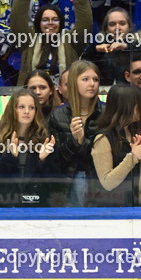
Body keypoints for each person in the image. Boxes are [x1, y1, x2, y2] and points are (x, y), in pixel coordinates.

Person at [12, 0, 92, 84]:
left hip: (65, 99)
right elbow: (17, 18)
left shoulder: (72, 42)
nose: (50, 23)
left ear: (61, 24)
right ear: (38, 23)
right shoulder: (28, 40)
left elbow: (85, 21)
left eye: (55, 20)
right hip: (32, 100)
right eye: (45, 20)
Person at [89, 84, 141, 206]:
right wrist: (133, 157)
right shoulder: (103, 138)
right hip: (118, 208)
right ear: (125, 107)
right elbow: (107, 183)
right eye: (138, 105)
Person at [0, 88, 58, 207]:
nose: (27, 111)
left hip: (36, 206)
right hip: (5, 205)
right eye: (21, 107)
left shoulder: (45, 139)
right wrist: (10, 156)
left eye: (31, 107)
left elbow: (54, 181)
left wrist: (42, 160)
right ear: (13, 110)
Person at [49, 60, 104, 205]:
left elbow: (106, 155)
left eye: (95, 79)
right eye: (85, 79)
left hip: (100, 181)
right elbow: (57, 159)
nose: (92, 83)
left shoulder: (106, 112)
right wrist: (74, 141)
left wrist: (81, 141)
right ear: (74, 82)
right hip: (67, 182)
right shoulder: (58, 115)